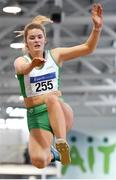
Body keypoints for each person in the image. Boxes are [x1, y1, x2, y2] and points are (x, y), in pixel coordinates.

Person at [14, 3, 103, 169]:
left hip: (61, 113)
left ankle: (62, 143)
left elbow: (87, 48)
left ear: (45, 39)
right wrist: (32, 65)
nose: (36, 40)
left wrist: (97, 28)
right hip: (37, 117)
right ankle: (53, 153)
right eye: (32, 38)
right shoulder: (21, 61)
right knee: (39, 161)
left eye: (39, 37)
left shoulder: (56, 55)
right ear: (26, 43)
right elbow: (22, 69)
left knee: (51, 98)